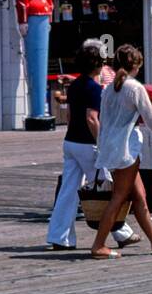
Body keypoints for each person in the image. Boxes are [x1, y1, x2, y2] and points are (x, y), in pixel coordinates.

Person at [89, 44, 152, 259]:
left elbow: (104, 119)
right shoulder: (135, 88)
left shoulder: (109, 88)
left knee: (140, 197)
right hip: (126, 150)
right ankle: (98, 245)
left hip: (110, 148)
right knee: (119, 197)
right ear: (136, 66)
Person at [45, 43, 139, 251]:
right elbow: (92, 118)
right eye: (102, 61)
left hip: (71, 142)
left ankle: (60, 236)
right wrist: (102, 144)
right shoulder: (94, 89)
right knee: (107, 187)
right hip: (88, 145)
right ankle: (122, 232)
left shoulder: (76, 85)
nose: (104, 64)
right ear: (96, 64)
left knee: (68, 191)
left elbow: (70, 116)